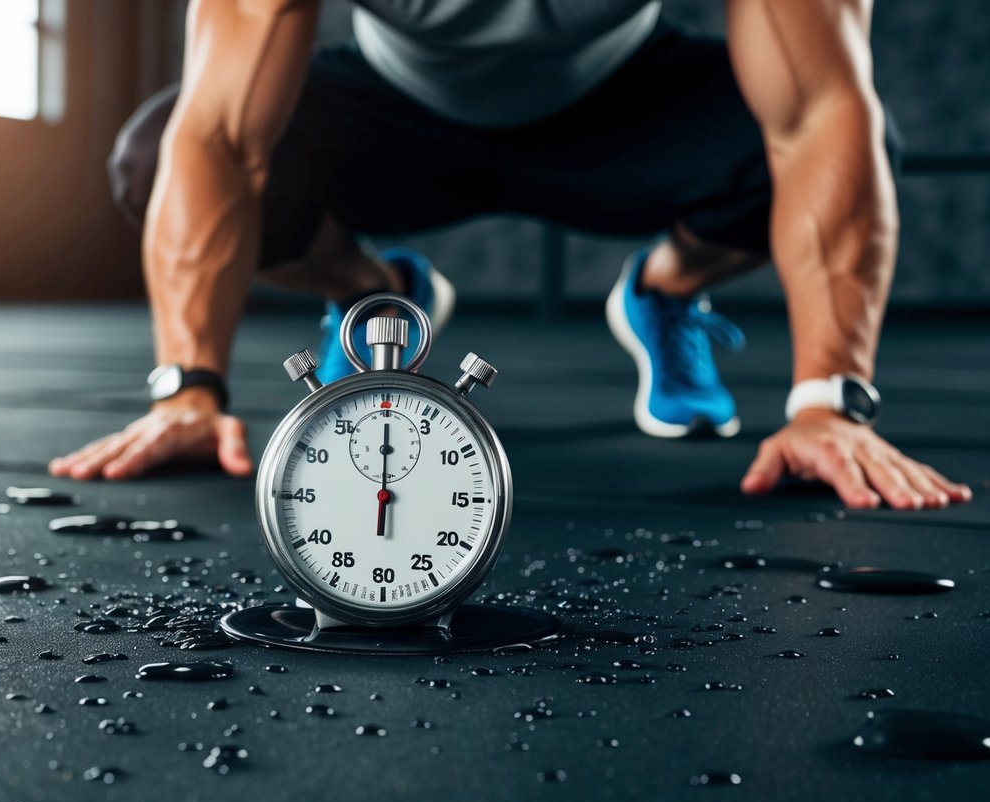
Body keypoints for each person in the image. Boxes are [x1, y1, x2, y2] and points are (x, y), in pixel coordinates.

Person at [49, 0, 972, 511]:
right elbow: (219, 135)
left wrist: (826, 405)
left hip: (624, 113)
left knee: (851, 133)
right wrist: (189, 391)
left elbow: (818, 117)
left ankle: (664, 290)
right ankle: (373, 295)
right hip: (396, 118)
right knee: (158, 147)